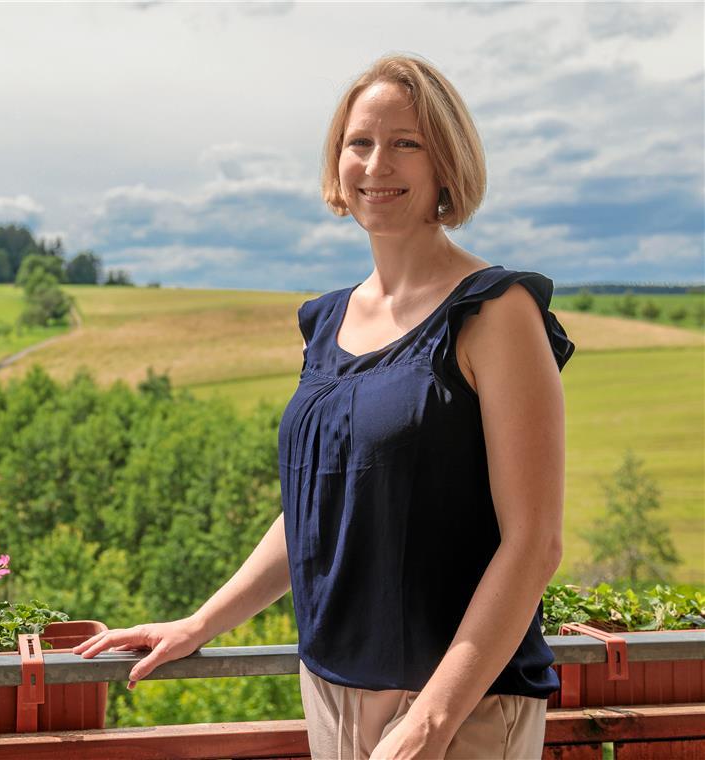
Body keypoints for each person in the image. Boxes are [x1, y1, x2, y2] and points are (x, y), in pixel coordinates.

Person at [73, 53, 574, 760]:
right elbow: (317, 509)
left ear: (446, 164)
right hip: (330, 689)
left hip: (460, 707)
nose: (377, 164)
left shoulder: (495, 311)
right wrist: (202, 622)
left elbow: (535, 544)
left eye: (407, 143)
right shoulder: (329, 322)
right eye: (358, 143)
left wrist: (430, 723)